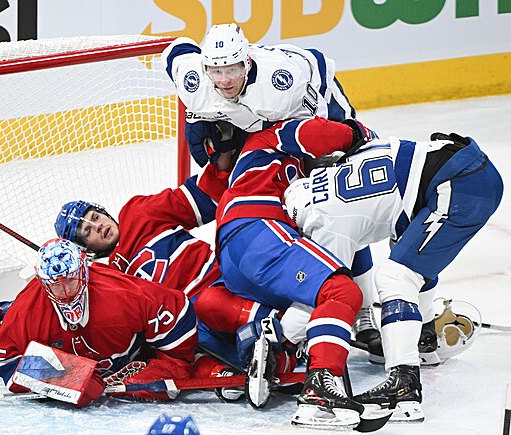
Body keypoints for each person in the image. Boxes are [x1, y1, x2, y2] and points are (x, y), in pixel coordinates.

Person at [161, 22, 382, 360]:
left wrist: (349, 139)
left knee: (340, 205)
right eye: (216, 71)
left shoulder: (281, 84)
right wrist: (199, 123)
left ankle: (364, 312)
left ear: (247, 62)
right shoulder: (195, 81)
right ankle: (308, 317)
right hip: (256, 171)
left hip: (314, 100)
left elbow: (315, 122)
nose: (225, 79)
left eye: (232, 69)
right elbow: (176, 50)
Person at [284, 132, 503, 422]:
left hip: (458, 183)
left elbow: (324, 295)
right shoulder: (344, 170)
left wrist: (280, 334)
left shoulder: (322, 215)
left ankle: (404, 386)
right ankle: (422, 340)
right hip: (468, 172)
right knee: (408, 264)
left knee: (395, 277)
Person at [53, 164, 294, 403]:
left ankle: (289, 330)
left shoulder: (137, 213)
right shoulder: (103, 278)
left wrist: (223, 164)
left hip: (223, 282)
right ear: (84, 249)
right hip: (189, 321)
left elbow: (198, 196)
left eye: (95, 217)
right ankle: (242, 374)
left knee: (210, 303)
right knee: (186, 349)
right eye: (88, 231)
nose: (98, 227)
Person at [212, 115, 386, 429]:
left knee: (323, 287)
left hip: (240, 256)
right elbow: (320, 132)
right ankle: (320, 392)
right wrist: (361, 134)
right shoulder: (268, 137)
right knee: (340, 290)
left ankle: (273, 350)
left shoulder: (281, 167)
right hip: (259, 231)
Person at [0, 238, 199, 406]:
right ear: (43, 282)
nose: (65, 292)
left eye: (71, 281)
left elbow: (178, 309)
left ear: (84, 269)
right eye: (55, 285)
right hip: (94, 355)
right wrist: (67, 378)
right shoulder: (26, 310)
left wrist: (171, 366)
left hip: (132, 357)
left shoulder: (124, 294)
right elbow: (6, 361)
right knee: (6, 319)